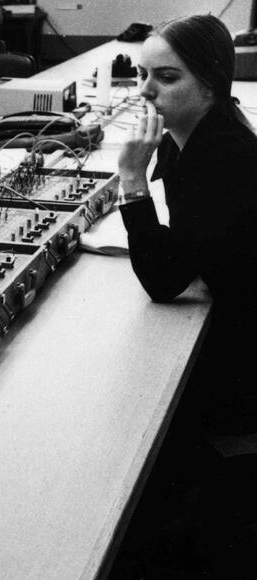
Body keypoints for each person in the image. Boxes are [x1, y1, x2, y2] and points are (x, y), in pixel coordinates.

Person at [114, 13, 257, 575]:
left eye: (166, 78)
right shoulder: (194, 135)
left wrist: (129, 179)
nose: (146, 91)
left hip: (241, 363)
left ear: (212, 84)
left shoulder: (224, 156)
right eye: (142, 74)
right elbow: (186, 242)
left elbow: (164, 280)